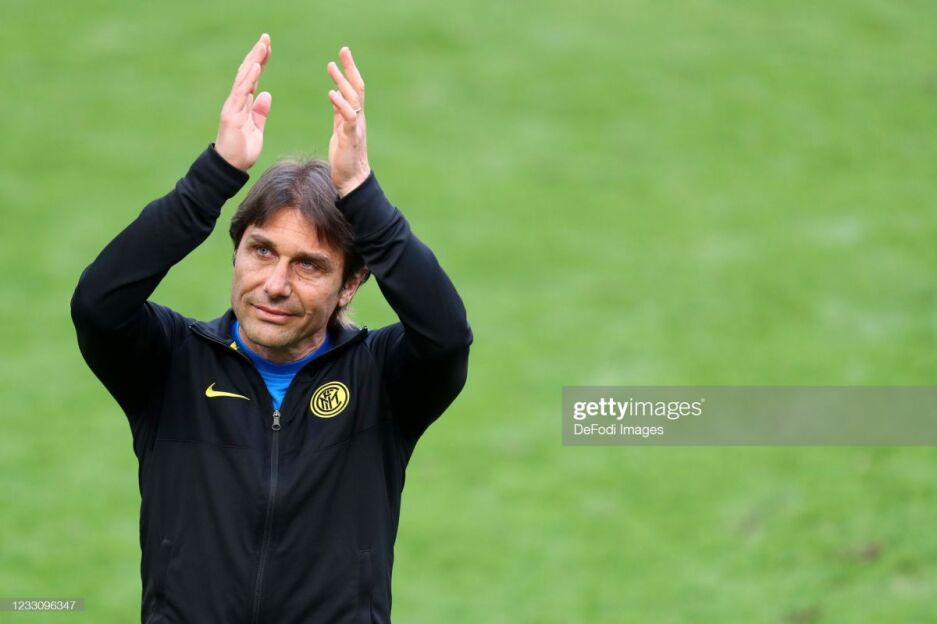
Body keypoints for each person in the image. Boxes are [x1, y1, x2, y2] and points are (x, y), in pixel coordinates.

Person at [71, 34, 472, 623]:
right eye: (261, 251)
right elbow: (98, 305)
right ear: (236, 253)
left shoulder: (382, 380)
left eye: (309, 265)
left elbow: (446, 337)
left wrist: (360, 191)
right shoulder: (172, 363)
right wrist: (215, 174)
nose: (276, 285)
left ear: (350, 284)